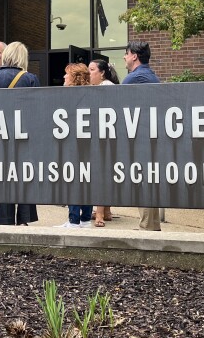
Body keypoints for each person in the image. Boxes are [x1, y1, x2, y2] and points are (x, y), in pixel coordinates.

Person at [0, 42, 40, 226]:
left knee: (4, 176)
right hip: (24, 134)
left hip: (1, 134)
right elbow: (36, 109)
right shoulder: (30, 78)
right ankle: (24, 218)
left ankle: (4, 219)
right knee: (25, 175)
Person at [121, 41, 161, 230]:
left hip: (139, 139)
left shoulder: (133, 79)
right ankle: (153, 227)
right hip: (151, 137)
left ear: (134, 56)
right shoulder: (152, 76)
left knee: (142, 182)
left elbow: (119, 108)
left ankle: (146, 228)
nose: (124, 57)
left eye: (126, 53)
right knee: (149, 181)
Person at [60, 63, 94, 228]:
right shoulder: (91, 94)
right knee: (86, 180)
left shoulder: (69, 96)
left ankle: (74, 220)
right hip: (88, 144)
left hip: (73, 143)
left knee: (73, 178)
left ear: (75, 77)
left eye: (67, 74)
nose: (64, 77)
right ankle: (85, 218)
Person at [89, 58, 120, 225]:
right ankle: (106, 210)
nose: (89, 73)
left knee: (100, 174)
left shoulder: (106, 87)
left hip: (105, 138)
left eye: (92, 70)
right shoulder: (102, 87)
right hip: (107, 137)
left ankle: (99, 214)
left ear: (102, 73)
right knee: (105, 174)